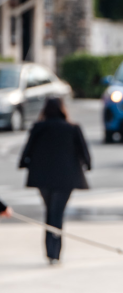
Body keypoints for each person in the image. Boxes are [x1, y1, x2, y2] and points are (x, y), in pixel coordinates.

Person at [18, 97, 91, 265]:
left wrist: (24, 163)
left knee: (50, 211)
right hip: (66, 178)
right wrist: (87, 165)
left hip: (43, 177)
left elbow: (27, 150)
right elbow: (84, 152)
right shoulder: (73, 128)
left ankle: (51, 251)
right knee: (57, 213)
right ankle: (55, 252)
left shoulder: (38, 127)